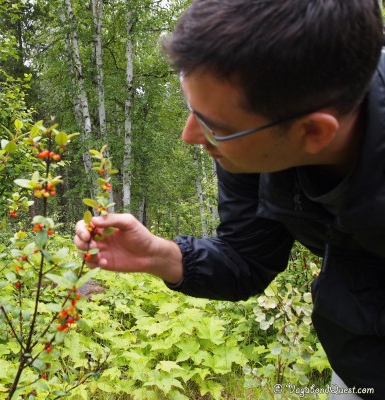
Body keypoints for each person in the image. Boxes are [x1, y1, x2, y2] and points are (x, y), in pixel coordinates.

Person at [73, 1, 385, 399]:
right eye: (193, 111)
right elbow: (247, 257)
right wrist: (158, 255)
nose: (189, 136)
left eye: (213, 126)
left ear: (313, 134)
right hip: (362, 363)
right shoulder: (256, 139)